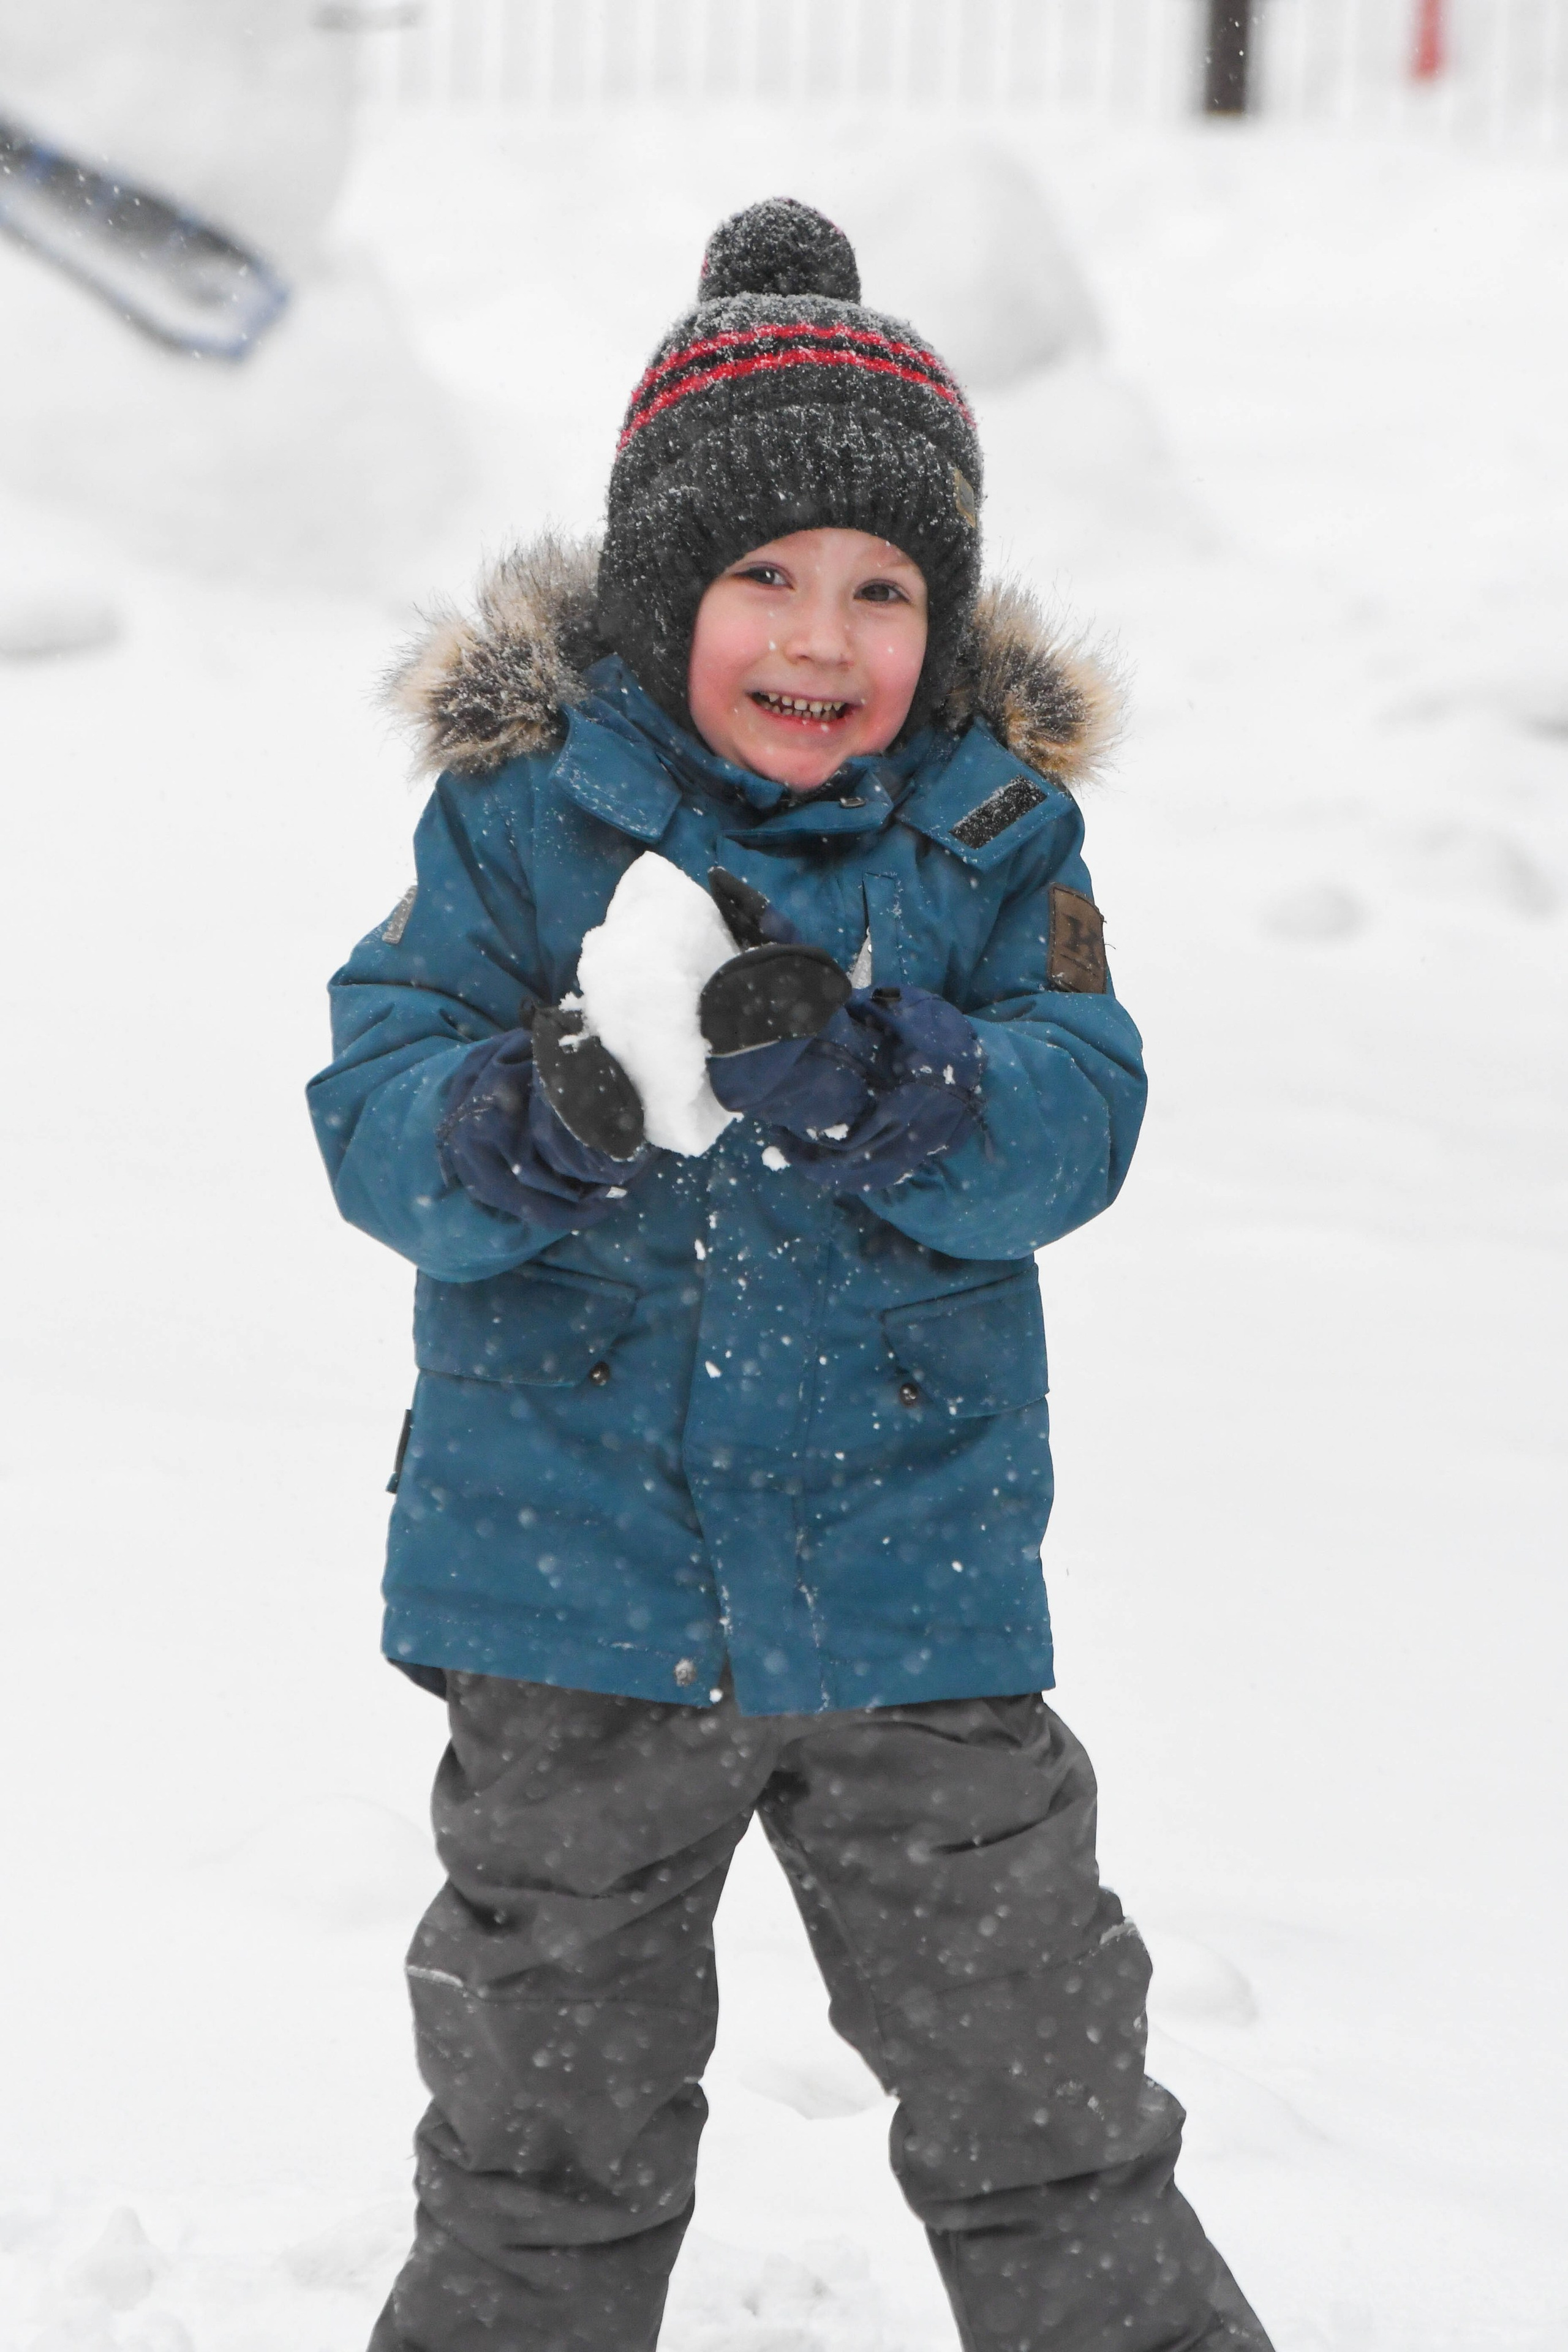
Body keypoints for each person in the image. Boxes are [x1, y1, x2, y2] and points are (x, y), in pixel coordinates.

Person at [308, 197, 1273, 2352]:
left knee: (1047, 2101)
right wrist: (526, 1120)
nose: (820, 640)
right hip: (562, 1609)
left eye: (882, 588)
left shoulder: (990, 842)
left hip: (909, 1600)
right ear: (665, 594)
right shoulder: (519, 830)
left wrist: (883, 1079)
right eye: (761, 578)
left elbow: (1076, 1118)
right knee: (539, 2148)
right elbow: (373, 1113)